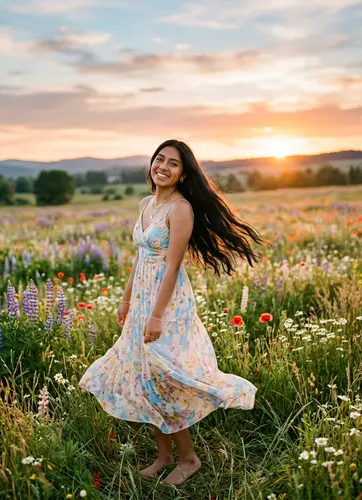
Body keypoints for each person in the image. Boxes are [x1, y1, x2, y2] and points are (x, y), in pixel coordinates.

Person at [78, 139, 267, 485]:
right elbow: (141, 257)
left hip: (168, 303)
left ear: (183, 174)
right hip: (143, 301)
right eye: (159, 160)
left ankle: (188, 458)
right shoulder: (146, 203)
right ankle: (164, 456)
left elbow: (173, 266)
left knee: (166, 377)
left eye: (173, 164)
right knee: (146, 376)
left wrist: (156, 315)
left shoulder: (180, 210)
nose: (163, 167)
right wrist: (126, 300)